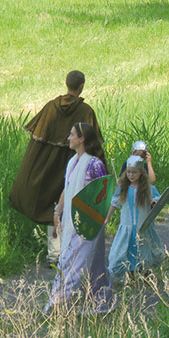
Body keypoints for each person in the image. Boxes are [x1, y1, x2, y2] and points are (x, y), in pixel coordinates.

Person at [9, 70, 102, 266]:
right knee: (66, 203)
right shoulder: (86, 111)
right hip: (73, 162)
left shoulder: (51, 107)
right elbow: (94, 144)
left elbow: (35, 143)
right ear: (81, 86)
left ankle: (57, 254)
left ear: (66, 83)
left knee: (56, 203)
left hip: (50, 165)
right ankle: (62, 254)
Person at [44, 122, 115, 314]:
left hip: (88, 222)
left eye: (72, 135)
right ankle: (99, 300)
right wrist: (57, 212)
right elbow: (68, 189)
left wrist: (100, 219)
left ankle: (59, 304)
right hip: (71, 220)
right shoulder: (72, 162)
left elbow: (102, 192)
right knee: (88, 262)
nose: (68, 138)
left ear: (81, 139)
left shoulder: (94, 164)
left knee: (75, 261)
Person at [106, 155, 164, 280]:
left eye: (134, 172)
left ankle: (145, 272)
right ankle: (131, 274)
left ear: (141, 173)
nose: (131, 175)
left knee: (144, 248)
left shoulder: (148, 188)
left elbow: (158, 199)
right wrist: (107, 218)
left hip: (142, 225)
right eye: (129, 172)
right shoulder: (123, 188)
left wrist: (154, 203)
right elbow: (114, 203)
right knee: (126, 250)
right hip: (127, 226)